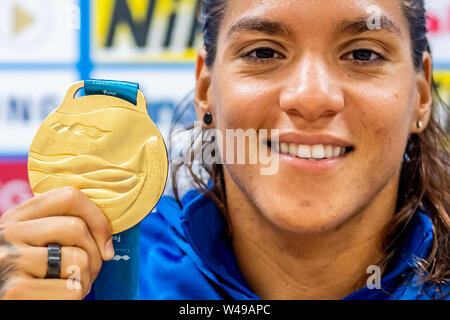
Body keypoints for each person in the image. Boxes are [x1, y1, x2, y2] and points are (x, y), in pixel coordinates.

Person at [0, 0, 448, 300]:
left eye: (363, 55)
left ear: (421, 94)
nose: (311, 98)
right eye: (264, 52)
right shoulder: (96, 280)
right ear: (206, 91)